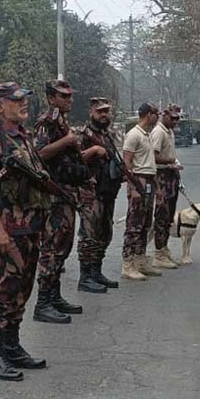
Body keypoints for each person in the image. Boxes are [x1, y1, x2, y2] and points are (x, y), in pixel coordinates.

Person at [0, 82, 49, 380]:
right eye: (16, 100)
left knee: (22, 289)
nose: (23, 104)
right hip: (5, 229)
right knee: (1, 291)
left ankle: (12, 347)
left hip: (29, 228)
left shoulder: (23, 137)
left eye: (24, 99)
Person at [33, 80, 94, 324]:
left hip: (67, 193)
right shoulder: (46, 123)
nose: (69, 99)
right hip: (54, 195)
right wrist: (66, 142)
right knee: (52, 248)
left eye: (70, 95)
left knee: (63, 248)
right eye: (63, 96)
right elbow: (40, 154)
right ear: (50, 98)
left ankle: (54, 297)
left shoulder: (60, 121)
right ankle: (43, 302)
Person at [76, 97, 122, 293]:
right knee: (89, 234)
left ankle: (96, 271)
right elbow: (75, 159)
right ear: (91, 112)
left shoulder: (108, 134)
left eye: (106, 111)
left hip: (107, 190)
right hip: (90, 192)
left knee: (105, 232)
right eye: (100, 111)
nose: (104, 115)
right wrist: (94, 150)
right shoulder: (82, 134)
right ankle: (85, 277)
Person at [121, 102, 162, 281]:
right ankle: (128, 263)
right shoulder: (134, 135)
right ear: (148, 114)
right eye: (155, 113)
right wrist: (133, 187)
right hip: (138, 180)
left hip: (149, 181)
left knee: (145, 223)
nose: (158, 116)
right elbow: (127, 163)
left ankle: (140, 260)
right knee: (134, 224)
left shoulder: (147, 135)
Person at [151, 104, 183, 269]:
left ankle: (164, 248)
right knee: (162, 214)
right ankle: (158, 253)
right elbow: (153, 157)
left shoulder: (169, 131)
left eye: (177, 118)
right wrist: (170, 162)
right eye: (172, 118)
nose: (175, 121)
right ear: (164, 115)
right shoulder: (159, 132)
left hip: (171, 175)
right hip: (161, 176)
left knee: (169, 215)